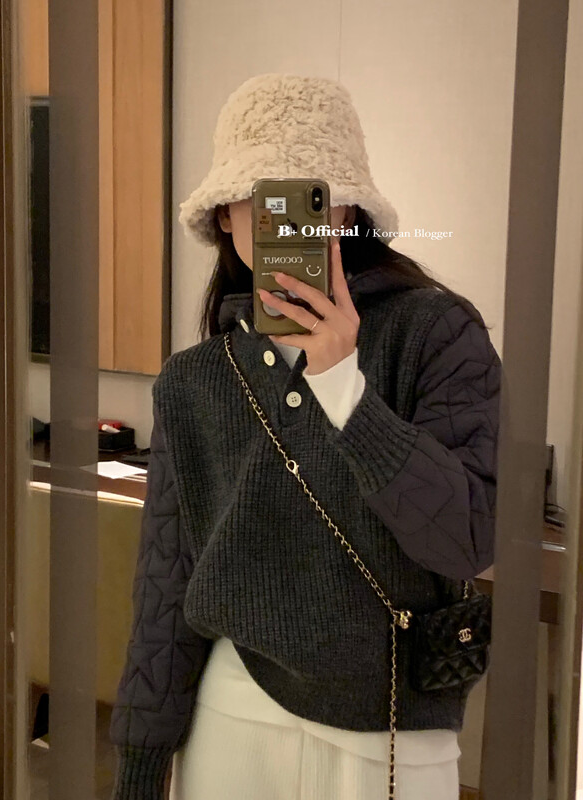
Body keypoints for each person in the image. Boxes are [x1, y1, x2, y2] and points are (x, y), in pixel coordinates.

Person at [109, 73, 502, 800]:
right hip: (231, 713)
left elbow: (468, 541)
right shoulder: (195, 379)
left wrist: (344, 386)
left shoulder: (435, 332)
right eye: (256, 196)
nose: (280, 220)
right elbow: (166, 588)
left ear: (345, 210)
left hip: (393, 728)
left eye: (308, 197)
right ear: (224, 216)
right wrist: (139, 768)